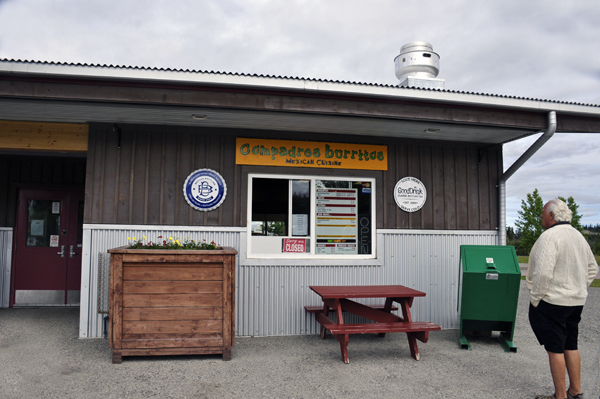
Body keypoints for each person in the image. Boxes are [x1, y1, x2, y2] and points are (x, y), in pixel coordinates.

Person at [527, 199, 598, 399]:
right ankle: (575, 391)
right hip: (575, 302)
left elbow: (542, 273)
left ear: (551, 215)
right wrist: (578, 288)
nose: (541, 215)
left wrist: (536, 298)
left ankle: (560, 396)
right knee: (571, 344)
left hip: (553, 301)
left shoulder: (549, 236)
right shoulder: (578, 236)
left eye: (543, 212)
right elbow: (593, 268)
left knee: (555, 348)